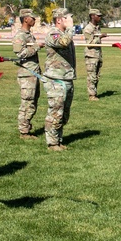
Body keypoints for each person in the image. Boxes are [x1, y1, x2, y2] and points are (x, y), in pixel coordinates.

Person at [43, 8, 76, 151]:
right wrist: (70, 29)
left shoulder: (64, 34)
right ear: (59, 20)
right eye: (67, 18)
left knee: (64, 113)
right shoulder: (53, 34)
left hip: (66, 78)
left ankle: (58, 139)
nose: (70, 21)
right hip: (56, 79)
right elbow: (63, 42)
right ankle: (52, 143)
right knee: (56, 112)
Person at [12, 8, 41, 138]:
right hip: (27, 73)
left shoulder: (29, 35)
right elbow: (20, 54)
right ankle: (23, 131)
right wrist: (36, 47)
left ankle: (26, 127)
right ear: (25, 19)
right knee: (27, 102)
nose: (34, 19)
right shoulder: (20, 35)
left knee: (33, 102)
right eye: (32, 18)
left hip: (34, 72)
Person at [82, 8, 104, 100]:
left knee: (97, 75)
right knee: (92, 76)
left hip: (98, 55)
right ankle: (92, 95)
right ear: (92, 16)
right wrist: (100, 37)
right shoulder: (88, 28)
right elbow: (90, 44)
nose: (100, 17)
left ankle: (94, 93)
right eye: (98, 16)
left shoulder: (97, 27)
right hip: (91, 56)